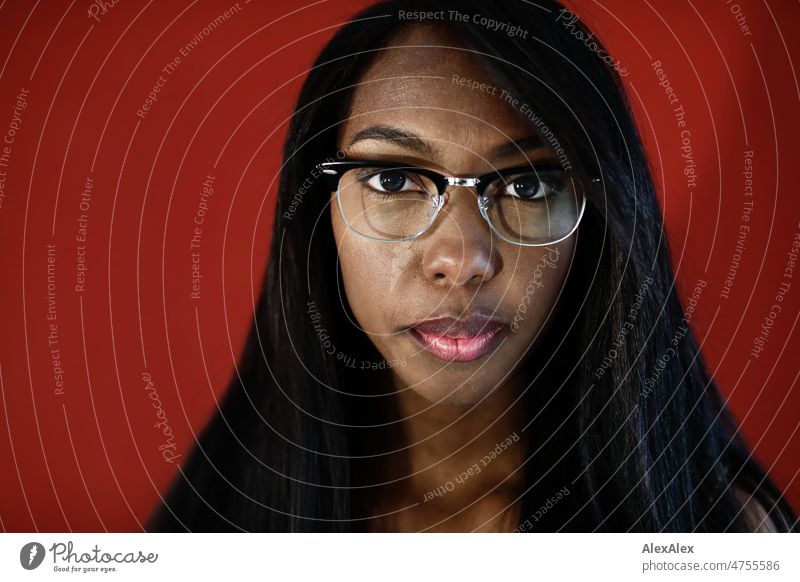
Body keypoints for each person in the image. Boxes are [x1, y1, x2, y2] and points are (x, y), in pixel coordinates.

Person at [148, 0, 797, 532]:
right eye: (396, 179)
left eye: (528, 187)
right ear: (321, 213)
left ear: (596, 227)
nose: (462, 261)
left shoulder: (715, 532)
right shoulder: (212, 523)